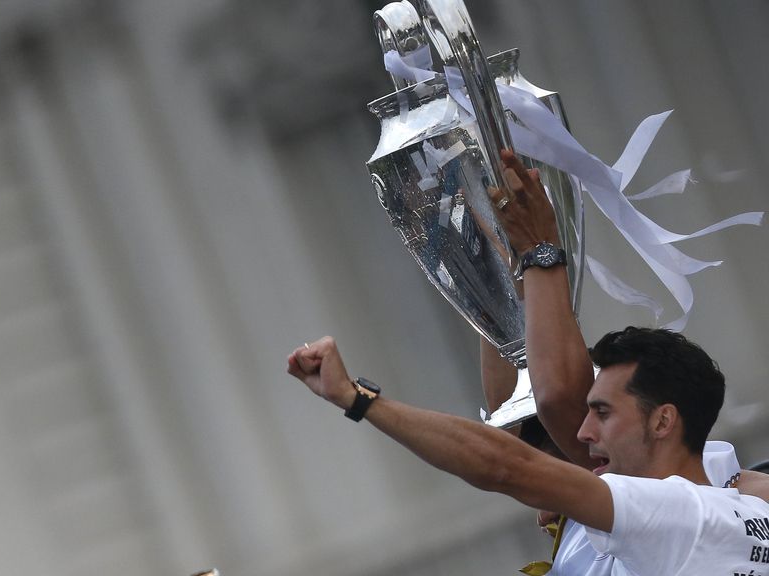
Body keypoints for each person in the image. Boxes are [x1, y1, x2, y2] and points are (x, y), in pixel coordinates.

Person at [287, 152, 769, 575]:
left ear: (664, 420)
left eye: (602, 413)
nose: (581, 432)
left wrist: (356, 398)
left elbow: (510, 459)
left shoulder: (682, 513)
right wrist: (504, 260)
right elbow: (539, 409)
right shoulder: (709, 503)